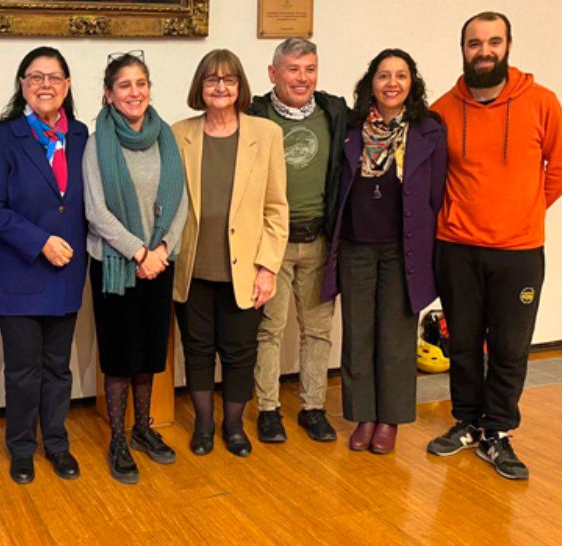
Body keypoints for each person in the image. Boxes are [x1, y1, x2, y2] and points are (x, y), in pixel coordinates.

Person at [426, 11, 562, 479]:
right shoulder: (443, 110)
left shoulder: (541, 102)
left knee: (510, 346)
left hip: (519, 252)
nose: (484, 50)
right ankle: (467, 422)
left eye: (493, 41)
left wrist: (526, 210)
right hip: (456, 247)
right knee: (464, 343)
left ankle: (499, 432)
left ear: (508, 46)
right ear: (463, 50)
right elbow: (429, 180)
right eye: (475, 43)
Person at [322, 49, 447, 454]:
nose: (391, 83)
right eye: (383, 75)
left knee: (395, 337)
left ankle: (389, 420)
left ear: (412, 83)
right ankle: (363, 416)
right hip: (357, 245)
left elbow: (436, 193)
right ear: (370, 83)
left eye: (401, 75)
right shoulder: (351, 127)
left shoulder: (428, 130)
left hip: (403, 250)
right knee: (358, 334)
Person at [0, 46, 89, 484]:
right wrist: (40, 242)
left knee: (58, 368)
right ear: (22, 85)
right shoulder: (3, 137)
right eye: (35, 77)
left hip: (66, 274)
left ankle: (57, 444)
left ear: (67, 85)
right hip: (21, 273)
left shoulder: (80, 136)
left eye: (54, 77)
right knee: (23, 371)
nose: (45, 85)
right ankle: (21, 448)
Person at [171, 49, 289, 458]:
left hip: (247, 270)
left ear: (240, 87)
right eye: (211, 80)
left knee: (241, 354)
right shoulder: (178, 133)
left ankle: (234, 426)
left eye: (228, 80)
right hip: (192, 267)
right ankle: (203, 424)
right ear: (199, 88)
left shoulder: (266, 134)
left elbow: (276, 207)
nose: (220, 88)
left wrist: (268, 267)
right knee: (198, 351)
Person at [83, 50, 188, 484]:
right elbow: (96, 211)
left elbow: (181, 200)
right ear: (109, 95)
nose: (134, 92)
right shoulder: (97, 142)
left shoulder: (166, 137)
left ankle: (144, 429)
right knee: (119, 356)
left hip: (160, 263)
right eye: (124, 85)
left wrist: (162, 248)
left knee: (148, 351)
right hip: (115, 264)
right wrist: (138, 253)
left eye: (140, 83)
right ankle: (119, 440)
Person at [246, 37, 348, 444]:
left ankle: (313, 407)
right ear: (274, 73)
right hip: (272, 243)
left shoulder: (333, 112)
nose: (302, 78)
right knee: (270, 329)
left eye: (309, 69)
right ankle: (268, 409)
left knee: (318, 330)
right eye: (293, 69)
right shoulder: (254, 114)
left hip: (319, 239)